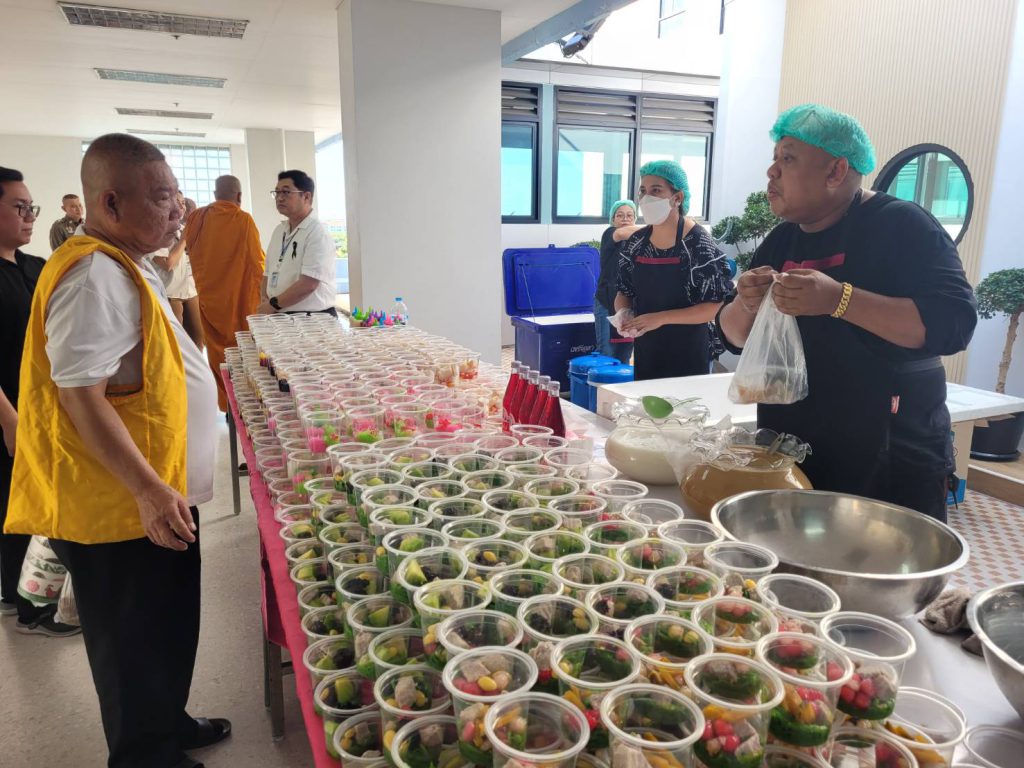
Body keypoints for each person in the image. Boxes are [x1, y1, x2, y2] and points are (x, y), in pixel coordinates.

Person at [4, 134, 227, 768]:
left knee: (168, 623)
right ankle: (144, 755)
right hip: (123, 503)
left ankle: (168, 723)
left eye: (177, 194)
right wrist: (148, 490)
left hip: (157, 490)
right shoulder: (92, 275)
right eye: (162, 197)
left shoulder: (128, 261)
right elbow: (80, 396)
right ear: (110, 203)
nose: (178, 209)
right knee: (132, 639)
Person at [716, 104, 977, 522]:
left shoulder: (903, 227)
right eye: (774, 157)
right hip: (793, 453)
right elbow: (733, 336)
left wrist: (839, 299)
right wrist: (745, 303)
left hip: (887, 460)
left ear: (836, 171)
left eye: (788, 158)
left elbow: (954, 325)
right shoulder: (781, 241)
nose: (771, 171)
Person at [0, 167, 79, 636]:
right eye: (19, 207)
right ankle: (29, 605)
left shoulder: (34, 266)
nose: (29, 215)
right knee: (16, 505)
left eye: (31, 207)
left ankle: (25, 594)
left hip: (41, 409)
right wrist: (8, 419)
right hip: (9, 411)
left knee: (40, 501)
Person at [612, 160, 733, 381]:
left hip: (689, 352)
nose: (646, 198)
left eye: (656, 190)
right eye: (643, 191)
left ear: (677, 198)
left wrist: (661, 318)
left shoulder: (697, 243)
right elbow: (624, 291)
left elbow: (714, 306)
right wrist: (623, 313)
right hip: (647, 350)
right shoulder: (636, 243)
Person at [183, 174, 265, 411]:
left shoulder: (197, 218)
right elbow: (257, 263)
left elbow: (191, 252)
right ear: (239, 196)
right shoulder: (243, 220)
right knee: (242, 352)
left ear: (214, 195)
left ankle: (226, 404)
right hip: (239, 301)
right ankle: (243, 407)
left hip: (209, 301)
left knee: (218, 354)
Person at [257, 169, 338, 316]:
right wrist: (264, 299)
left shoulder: (317, 232)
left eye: (286, 192)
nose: (279, 198)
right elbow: (267, 273)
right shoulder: (279, 231)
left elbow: (309, 284)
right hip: (279, 314)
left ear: (306, 196)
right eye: (277, 192)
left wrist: (273, 304)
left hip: (311, 318)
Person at [149, 191, 204, 350]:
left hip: (191, 290)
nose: (181, 205)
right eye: (177, 201)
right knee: (176, 345)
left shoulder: (184, 229)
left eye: (183, 202)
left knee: (198, 341)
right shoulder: (155, 232)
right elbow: (168, 264)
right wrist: (184, 239)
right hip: (171, 293)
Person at [594, 199, 636, 364]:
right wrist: (662, 228)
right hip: (606, 301)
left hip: (629, 304)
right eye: (620, 215)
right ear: (613, 219)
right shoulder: (610, 233)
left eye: (629, 215)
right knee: (606, 353)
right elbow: (621, 234)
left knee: (625, 354)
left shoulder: (638, 242)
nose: (625, 219)